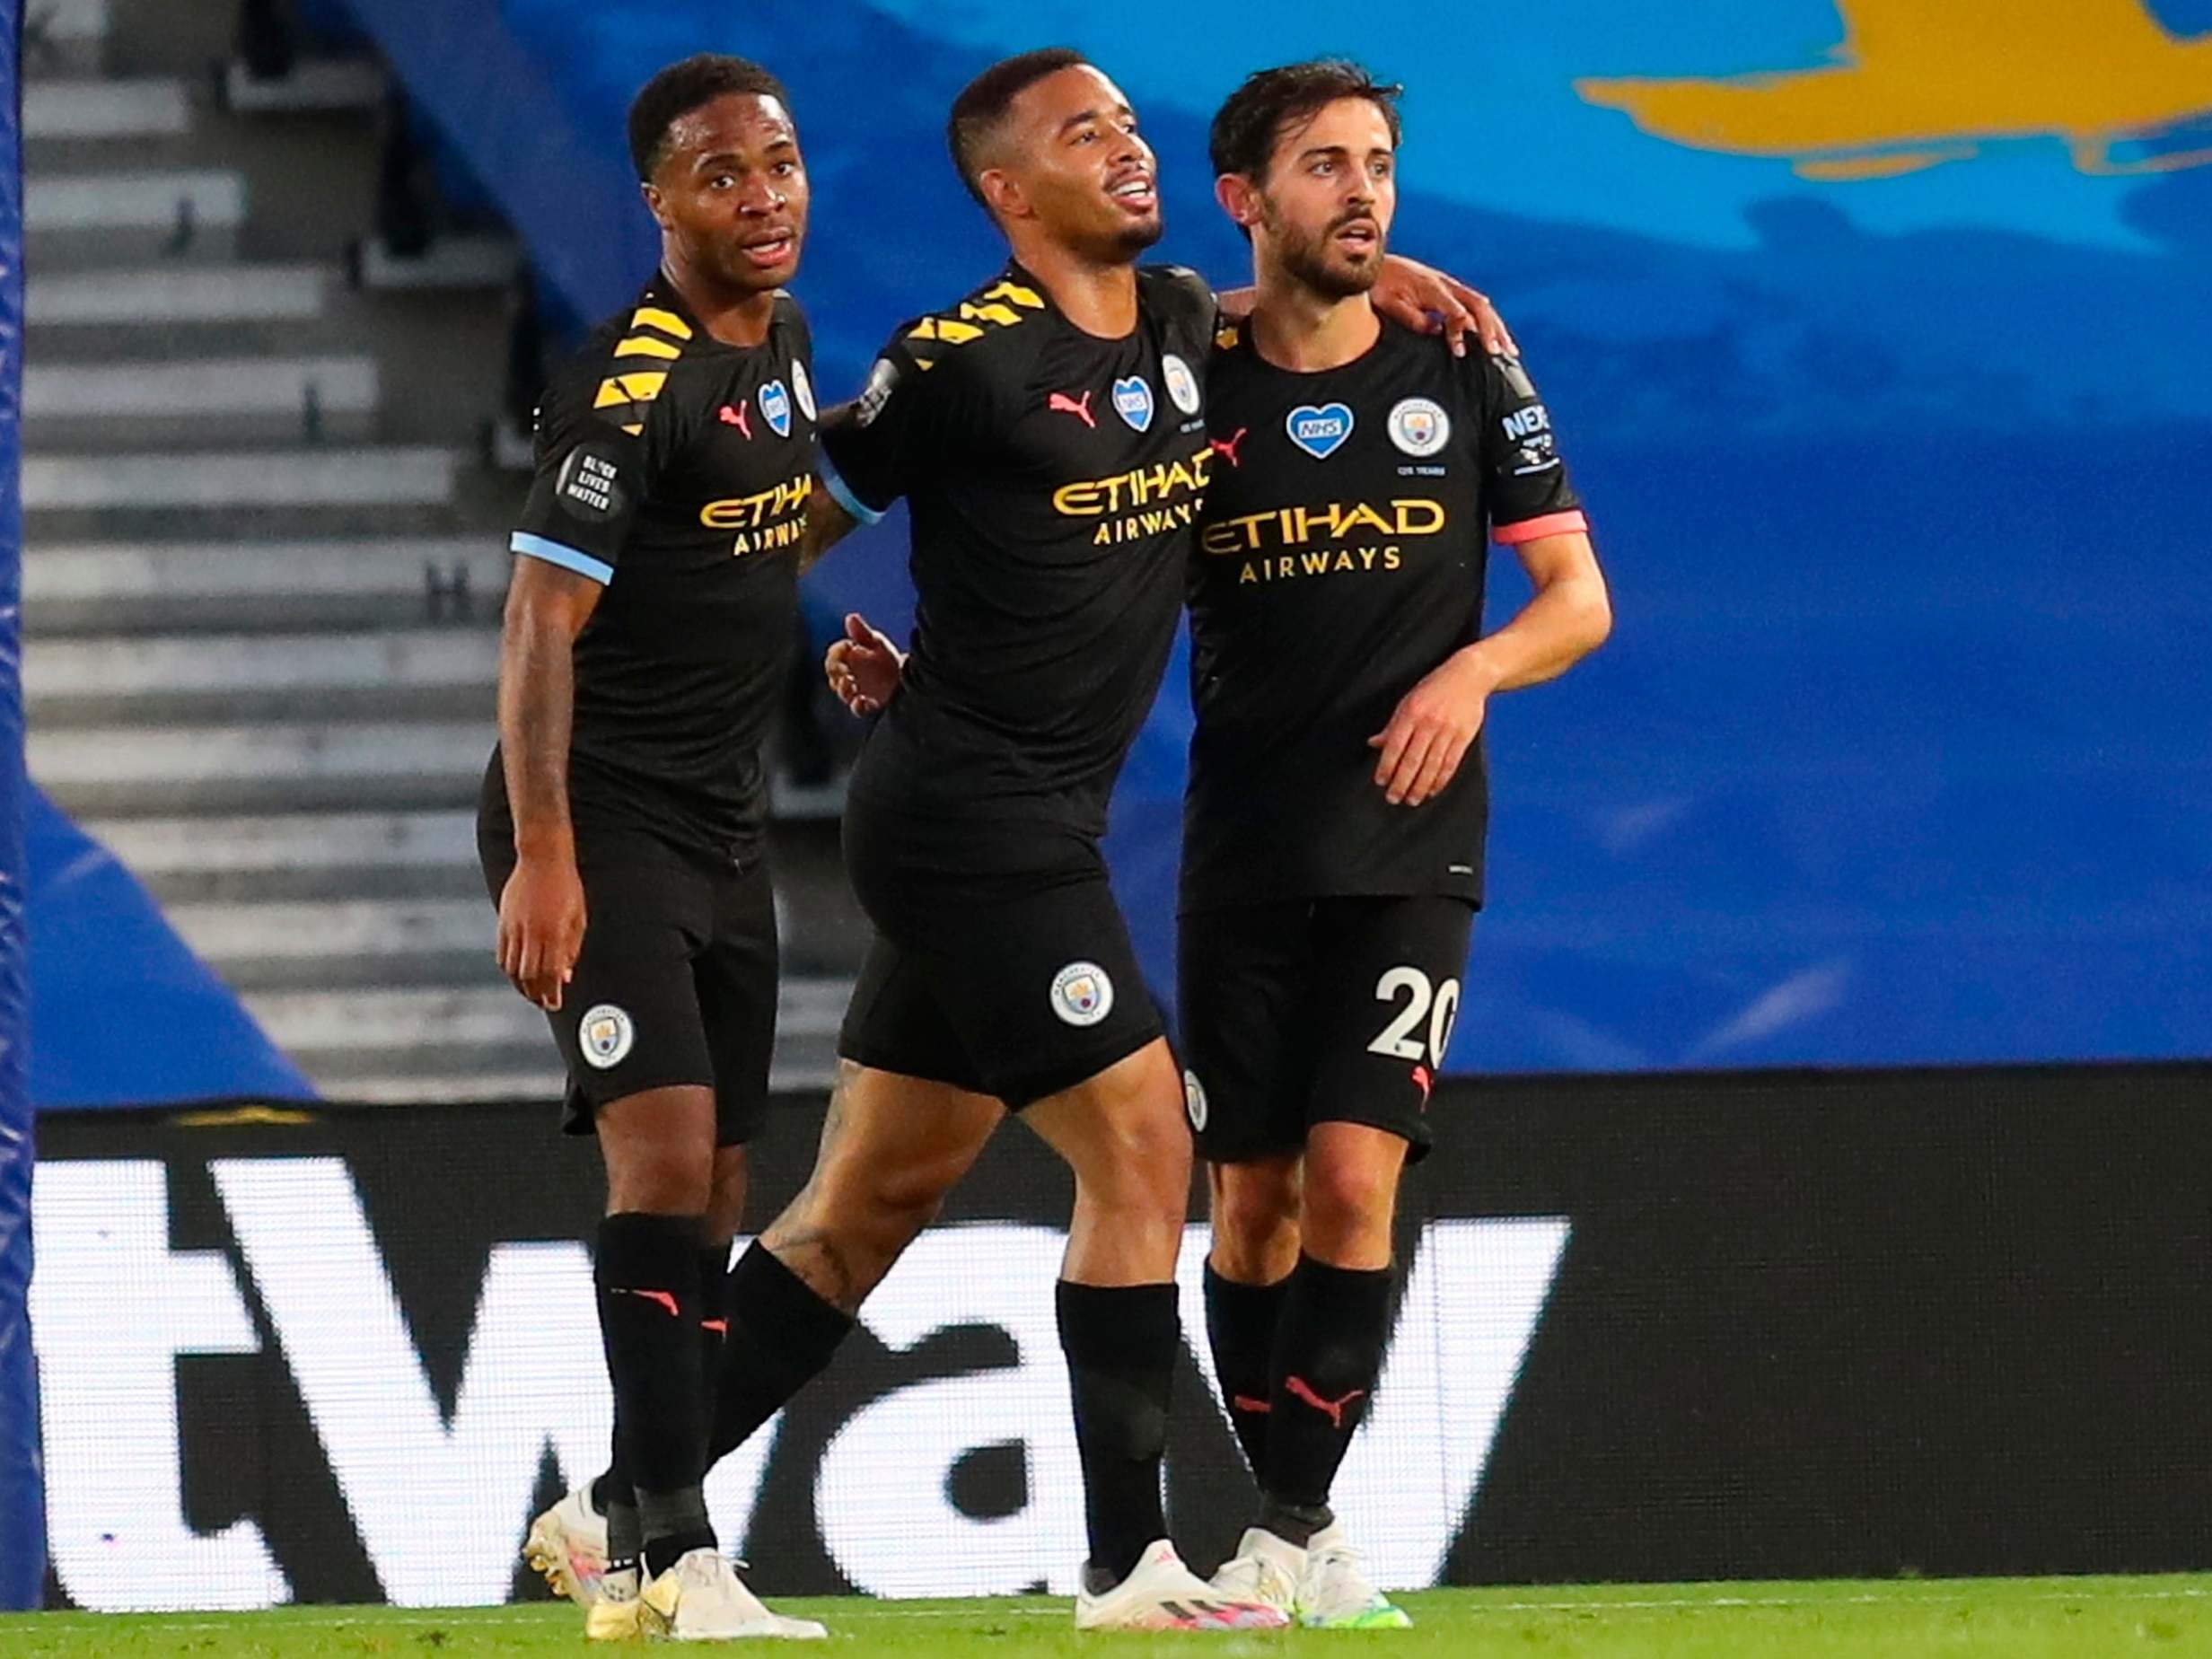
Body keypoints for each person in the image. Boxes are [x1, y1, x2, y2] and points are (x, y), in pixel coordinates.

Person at [766, 47, 1507, 1631]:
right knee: (1153, 1150)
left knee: (864, 1208)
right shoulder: (958, 355)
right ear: (1004, 188)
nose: (1122, 145)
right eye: (1079, 132)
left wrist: (1392, 266)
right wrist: (694, 640)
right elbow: (807, 509)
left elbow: (1265, 310)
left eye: (1125, 121)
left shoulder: (1177, 322)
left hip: (1020, 814)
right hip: (977, 823)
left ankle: (637, 1506)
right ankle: (1126, 1568)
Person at [1181, 62, 1611, 1625]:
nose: (1361, 193)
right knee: (1252, 1207)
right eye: (1321, 167)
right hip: (1241, 843)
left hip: (1413, 846)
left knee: (1356, 1179)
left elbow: (1579, 599)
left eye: (1378, 166)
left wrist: (1471, 667)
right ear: (1246, 200)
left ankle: (1293, 1527)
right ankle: (1290, 1524)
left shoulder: (1464, 366)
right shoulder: (1189, 368)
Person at [479, 52, 830, 1643]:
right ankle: (679, 1558)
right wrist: (545, 853)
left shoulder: (790, 345)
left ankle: (616, 1524)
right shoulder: (632, 375)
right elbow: (544, 616)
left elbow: (763, 522)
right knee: (669, 1159)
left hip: (723, 817)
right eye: (719, 174)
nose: (761, 197)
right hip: (599, 814)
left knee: (727, 1188)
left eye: (779, 164)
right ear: (658, 201)